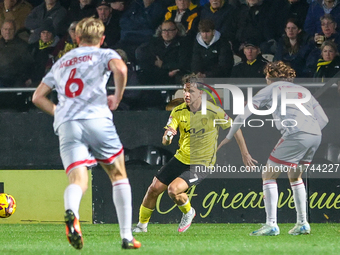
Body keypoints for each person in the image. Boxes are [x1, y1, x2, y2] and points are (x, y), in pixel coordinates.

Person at [32, 17, 141, 250]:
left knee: (78, 179)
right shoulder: (104, 53)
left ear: (76, 38)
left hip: (68, 124)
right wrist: (117, 97)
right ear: (102, 39)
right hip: (96, 118)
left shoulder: (61, 62)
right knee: (118, 175)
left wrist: (59, 112)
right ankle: (126, 236)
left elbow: (37, 97)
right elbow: (120, 68)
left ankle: (71, 212)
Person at [133, 73, 257, 233]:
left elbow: (236, 129)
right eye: (185, 90)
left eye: (190, 91)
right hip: (181, 158)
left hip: (202, 163)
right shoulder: (178, 111)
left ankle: (188, 212)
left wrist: (245, 154)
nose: (186, 94)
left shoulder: (213, 111)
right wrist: (167, 137)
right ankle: (141, 227)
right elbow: (166, 138)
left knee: (173, 190)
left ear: (201, 93)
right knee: (153, 189)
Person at [219, 61, 329, 236]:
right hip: (315, 135)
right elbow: (324, 119)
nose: (266, 80)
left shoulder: (272, 89)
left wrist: (228, 136)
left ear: (271, 76)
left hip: (296, 134)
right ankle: (302, 223)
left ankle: (271, 225)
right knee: (295, 176)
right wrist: (308, 133)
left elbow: (242, 115)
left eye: (266, 76)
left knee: (268, 175)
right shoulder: (304, 91)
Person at [0, 19, 34, 88]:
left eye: (10, 29)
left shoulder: (22, 46)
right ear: (1, 30)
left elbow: (29, 65)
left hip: (15, 81)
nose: (7, 32)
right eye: (5, 29)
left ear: (15, 31)